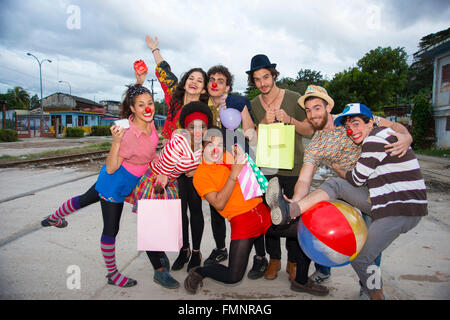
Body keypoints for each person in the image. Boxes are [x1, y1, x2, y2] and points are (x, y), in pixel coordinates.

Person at [266, 85, 413, 287]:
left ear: (328, 107)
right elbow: (304, 179)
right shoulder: (316, 145)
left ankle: (367, 287)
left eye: (317, 108)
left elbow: (393, 126)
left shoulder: (350, 119)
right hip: (347, 186)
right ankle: (323, 270)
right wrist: (297, 200)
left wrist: (407, 136)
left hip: (375, 186)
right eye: (308, 111)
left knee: (368, 243)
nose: (312, 115)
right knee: (319, 222)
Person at [185, 129, 329, 296]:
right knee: (233, 277)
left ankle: (301, 280)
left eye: (219, 144)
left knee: (304, 231)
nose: (216, 149)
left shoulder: (228, 156)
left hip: (263, 213)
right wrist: (234, 173)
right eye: (211, 144)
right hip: (242, 222)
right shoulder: (201, 175)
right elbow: (219, 203)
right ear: (203, 147)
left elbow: (255, 174)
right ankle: (200, 272)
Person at [41, 84, 159, 288]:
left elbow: (149, 152)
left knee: (85, 199)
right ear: (132, 109)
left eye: (150, 103)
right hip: (115, 182)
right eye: (141, 105)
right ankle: (112, 274)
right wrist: (116, 142)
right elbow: (112, 167)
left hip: (130, 180)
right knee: (111, 228)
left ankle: (53, 218)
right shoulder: (127, 134)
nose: (147, 108)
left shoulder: (151, 123)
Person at [332, 103, 427, 299]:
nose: (352, 131)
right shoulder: (382, 135)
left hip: (398, 209)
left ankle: (377, 296)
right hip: (397, 204)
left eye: (357, 124)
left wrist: (337, 168)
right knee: (370, 257)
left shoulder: (373, 140)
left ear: (370, 123)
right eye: (348, 127)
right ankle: (373, 290)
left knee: (360, 259)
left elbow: (356, 179)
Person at [136, 35, 208, 272]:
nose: (194, 82)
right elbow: (163, 71)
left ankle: (196, 253)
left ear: (204, 87)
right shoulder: (174, 99)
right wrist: (155, 48)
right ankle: (183, 249)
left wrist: (198, 165)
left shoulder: (207, 110)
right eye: (192, 78)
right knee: (178, 210)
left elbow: (211, 138)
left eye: (200, 80)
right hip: (169, 167)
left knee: (195, 209)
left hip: (193, 167)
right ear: (185, 81)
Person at [126, 101, 213, 288]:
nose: (197, 131)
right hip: (156, 181)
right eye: (192, 127)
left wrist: (197, 170)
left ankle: (161, 257)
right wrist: (164, 178)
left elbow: (206, 163)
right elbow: (166, 168)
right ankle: (158, 271)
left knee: (165, 226)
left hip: (170, 183)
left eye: (203, 126)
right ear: (185, 127)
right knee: (152, 226)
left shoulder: (206, 145)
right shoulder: (179, 141)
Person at [246, 54, 314, 281]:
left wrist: (290, 121)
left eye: (266, 77)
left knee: (294, 217)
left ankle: (293, 262)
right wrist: (264, 122)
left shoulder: (294, 98)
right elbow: (252, 137)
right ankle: (274, 260)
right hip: (267, 169)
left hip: (294, 168)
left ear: (274, 75)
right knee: (269, 218)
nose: (262, 83)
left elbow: (310, 130)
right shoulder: (254, 104)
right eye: (257, 79)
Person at [203, 65, 265, 278]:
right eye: (212, 79)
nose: (215, 83)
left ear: (227, 86)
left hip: (241, 159)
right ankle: (221, 249)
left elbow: (251, 134)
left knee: (252, 204)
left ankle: (260, 257)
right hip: (216, 164)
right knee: (216, 208)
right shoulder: (203, 106)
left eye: (220, 80)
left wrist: (241, 109)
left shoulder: (239, 102)